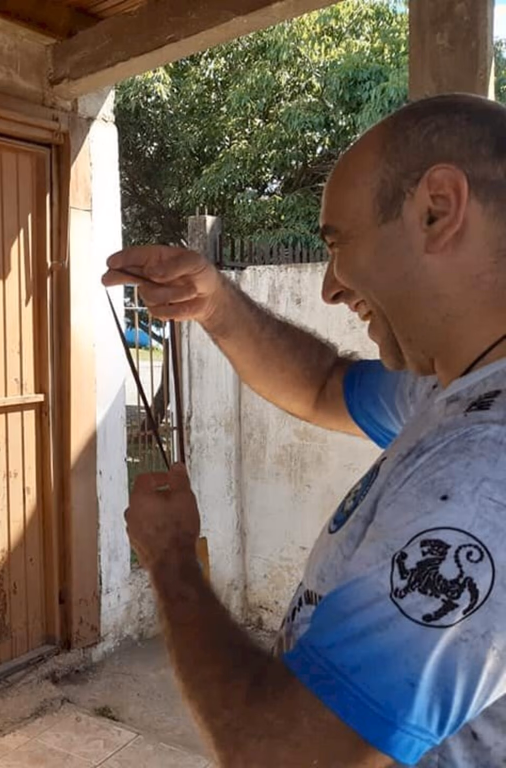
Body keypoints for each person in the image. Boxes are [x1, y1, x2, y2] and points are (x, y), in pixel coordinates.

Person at [103, 93, 506, 767]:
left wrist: (170, 560)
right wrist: (216, 302)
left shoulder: (485, 467)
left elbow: (286, 758)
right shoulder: (454, 389)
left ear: (438, 209)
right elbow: (322, 384)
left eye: (339, 242)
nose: (329, 286)